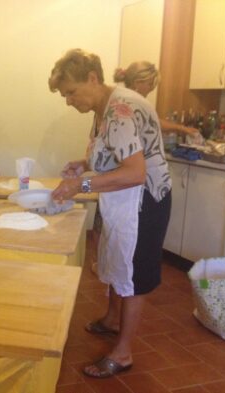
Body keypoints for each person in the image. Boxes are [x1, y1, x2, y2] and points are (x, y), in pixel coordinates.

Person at [49, 49, 172, 378]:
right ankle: (112, 319)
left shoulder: (119, 110)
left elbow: (134, 172)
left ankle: (123, 352)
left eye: (71, 92)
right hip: (124, 199)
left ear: (92, 79)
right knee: (118, 259)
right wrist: (84, 164)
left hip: (143, 201)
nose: (68, 101)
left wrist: (81, 187)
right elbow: (115, 153)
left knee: (132, 276)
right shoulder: (103, 105)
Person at [114, 61, 201, 138]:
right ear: (137, 83)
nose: (152, 88)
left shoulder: (122, 99)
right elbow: (153, 122)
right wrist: (182, 128)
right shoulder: (130, 104)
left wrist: (182, 128)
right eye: (150, 84)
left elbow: (153, 121)